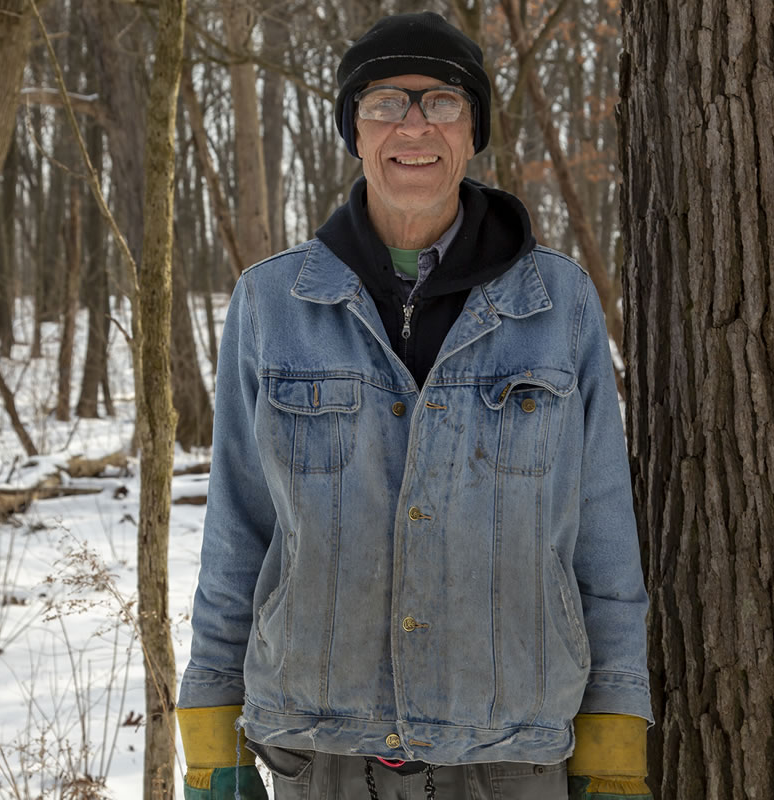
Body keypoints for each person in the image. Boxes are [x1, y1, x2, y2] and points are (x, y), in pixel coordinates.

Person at [177, 12, 651, 800]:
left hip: (513, 750)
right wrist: (209, 736)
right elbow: (237, 531)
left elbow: (602, 536)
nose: (414, 125)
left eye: (442, 102)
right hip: (316, 746)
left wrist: (616, 737)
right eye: (385, 102)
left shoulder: (556, 304)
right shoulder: (272, 304)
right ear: (353, 131)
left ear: (473, 133)